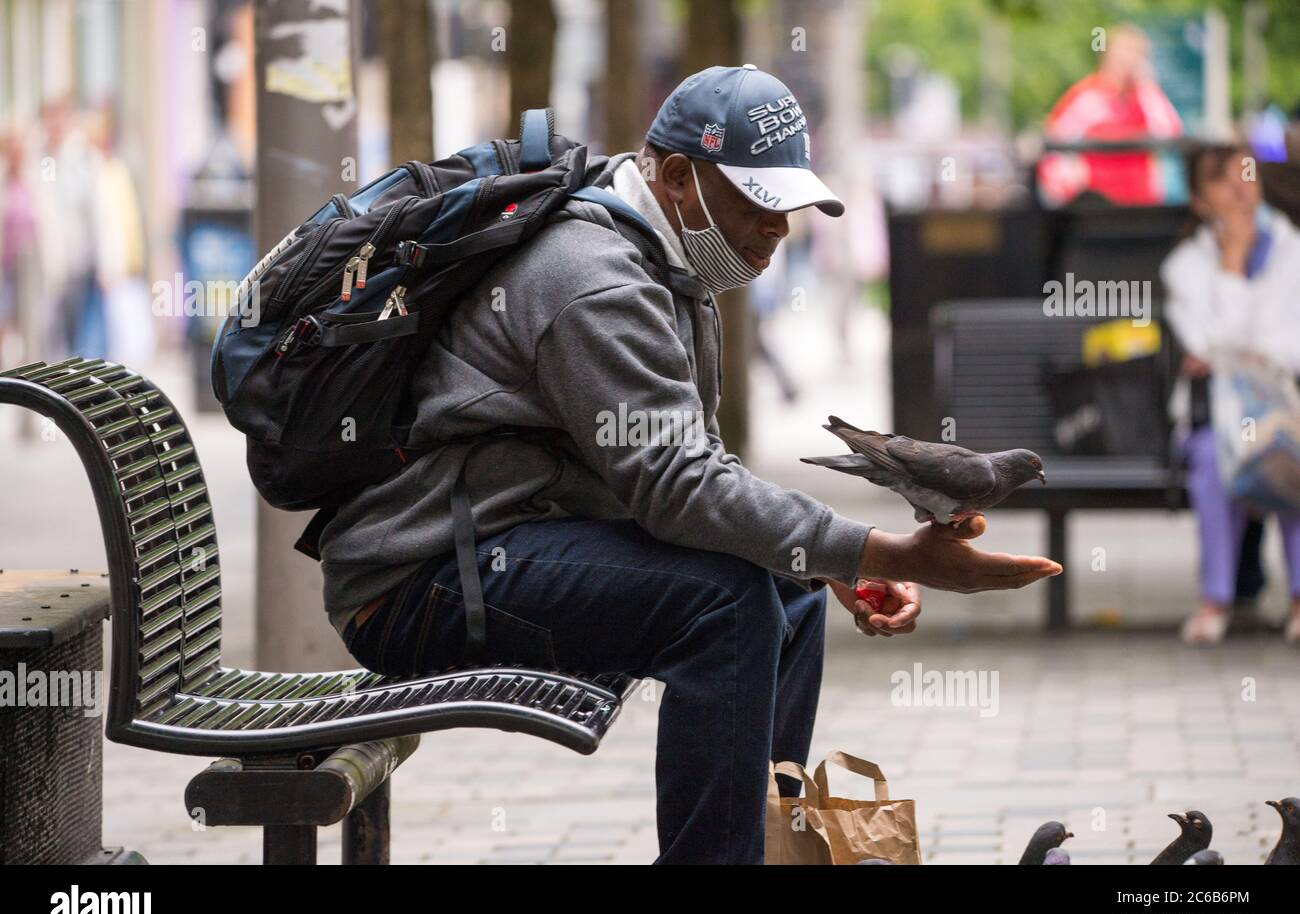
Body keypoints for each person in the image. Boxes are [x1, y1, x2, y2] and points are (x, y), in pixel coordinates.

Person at [322, 66, 1060, 863]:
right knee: (728, 601)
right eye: (759, 201)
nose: (779, 228)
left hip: (497, 545)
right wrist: (875, 549)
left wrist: (819, 559)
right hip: (414, 583)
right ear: (678, 177)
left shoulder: (663, 258)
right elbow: (677, 490)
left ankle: (766, 842)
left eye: (791, 206)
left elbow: (695, 464)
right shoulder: (593, 278)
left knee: (791, 590)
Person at [1160, 143, 1300, 645]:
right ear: (1200, 200)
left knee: (1290, 455)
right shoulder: (1184, 267)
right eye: (1222, 178)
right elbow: (1206, 344)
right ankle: (1215, 599)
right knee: (1211, 462)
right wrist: (1234, 263)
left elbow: (1290, 344)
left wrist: (1235, 346)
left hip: (1282, 413)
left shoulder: (1291, 249)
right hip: (1212, 418)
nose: (1241, 187)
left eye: (1247, 174)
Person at [1039, 23, 1183, 206]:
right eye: (1124, 52)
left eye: (1137, 54)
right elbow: (1055, 142)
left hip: (1140, 202)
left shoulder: (1145, 97)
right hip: (1095, 205)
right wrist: (1067, 188)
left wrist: (1148, 87)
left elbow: (1171, 131)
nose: (1130, 60)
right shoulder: (1087, 95)